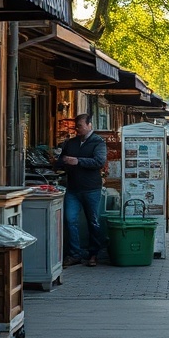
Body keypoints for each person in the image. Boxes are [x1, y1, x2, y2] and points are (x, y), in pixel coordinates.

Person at [56, 113, 108, 267]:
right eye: (76, 126)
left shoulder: (98, 142)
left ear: (89, 125)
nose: (77, 129)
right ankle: (75, 253)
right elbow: (62, 160)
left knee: (93, 222)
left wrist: (77, 161)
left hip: (91, 188)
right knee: (70, 220)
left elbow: (99, 161)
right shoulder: (71, 142)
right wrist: (59, 161)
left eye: (80, 126)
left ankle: (94, 254)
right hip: (73, 189)